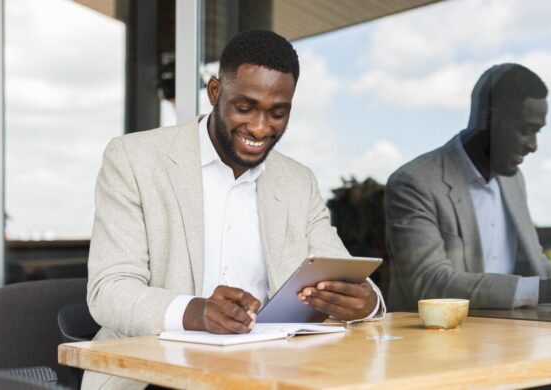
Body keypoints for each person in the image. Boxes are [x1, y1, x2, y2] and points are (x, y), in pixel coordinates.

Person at [84, 30, 384, 390]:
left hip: (272, 373)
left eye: (277, 113)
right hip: (154, 375)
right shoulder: (134, 159)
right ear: (214, 92)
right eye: (245, 107)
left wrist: (365, 303)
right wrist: (196, 312)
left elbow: (341, 271)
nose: (260, 127)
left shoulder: (297, 181)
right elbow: (109, 291)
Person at [385, 63, 551, 311]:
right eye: (526, 130)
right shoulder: (415, 183)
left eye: (538, 132)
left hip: (509, 332)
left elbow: (539, 268)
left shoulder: (513, 180)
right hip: (442, 339)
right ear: (490, 118)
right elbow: (428, 283)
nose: (534, 146)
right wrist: (549, 290)